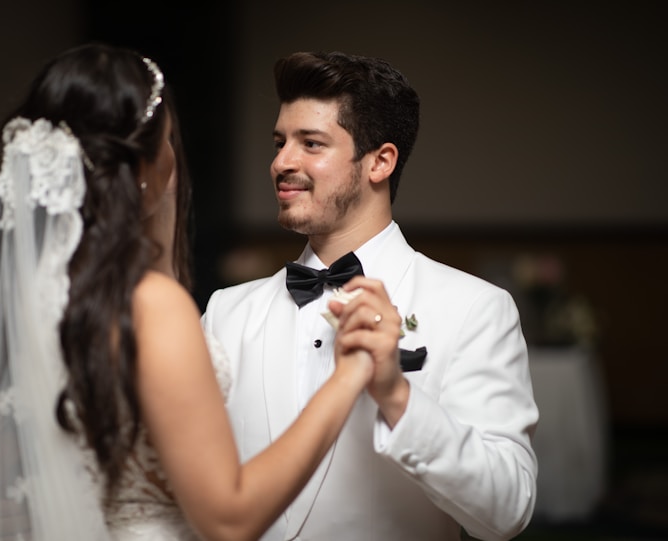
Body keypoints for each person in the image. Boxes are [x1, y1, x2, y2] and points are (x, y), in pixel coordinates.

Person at [0, 43, 380, 541]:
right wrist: (348, 375)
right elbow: (229, 517)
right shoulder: (152, 306)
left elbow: (5, 501)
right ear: (142, 169)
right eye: (168, 141)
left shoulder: (9, 310)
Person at [201, 51, 539, 540]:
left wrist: (398, 397)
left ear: (380, 162)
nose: (281, 163)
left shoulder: (474, 309)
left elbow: (507, 511)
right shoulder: (226, 312)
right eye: (279, 143)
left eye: (310, 143)